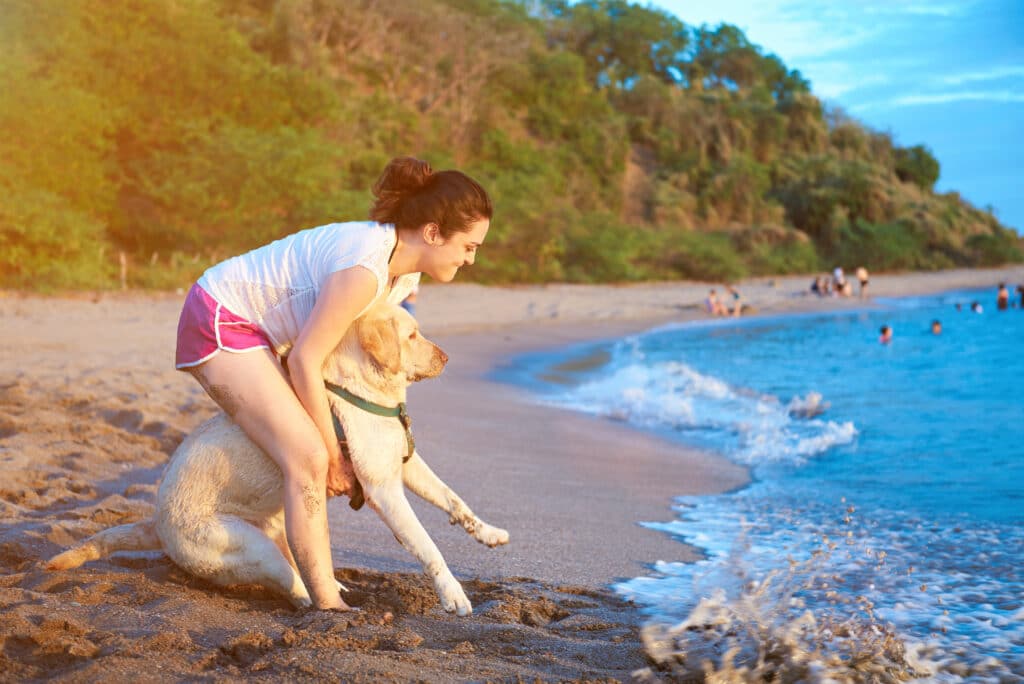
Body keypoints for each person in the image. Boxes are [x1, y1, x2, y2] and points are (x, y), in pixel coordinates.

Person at [173, 157, 492, 611]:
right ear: (433, 232)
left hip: (266, 333)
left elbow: (338, 355)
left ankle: (297, 563)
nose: (472, 257)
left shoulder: (403, 274)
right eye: (469, 245)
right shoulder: (366, 270)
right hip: (220, 318)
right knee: (309, 456)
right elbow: (306, 358)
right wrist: (336, 455)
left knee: (305, 442)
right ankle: (326, 601)